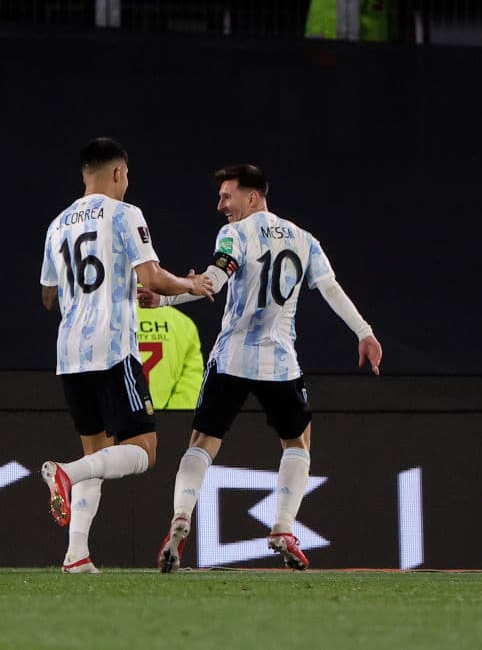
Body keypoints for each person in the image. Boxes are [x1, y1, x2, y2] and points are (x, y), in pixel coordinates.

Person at [142, 164, 383, 573]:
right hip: (280, 361)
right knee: (298, 443)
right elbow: (330, 289)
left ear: (252, 198)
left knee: (202, 442)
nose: (221, 205)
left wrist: (167, 297)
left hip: (232, 356)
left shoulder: (234, 234)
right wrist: (364, 332)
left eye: (227, 196)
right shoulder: (304, 240)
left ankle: (181, 517)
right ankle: (283, 528)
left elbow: (213, 282)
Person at [39, 137, 214, 574]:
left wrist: (90, 293)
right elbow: (153, 276)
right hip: (113, 348)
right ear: (118, 173)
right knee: (145, 449)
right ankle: (65, 472)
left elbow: (48, 295)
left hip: (70, 354)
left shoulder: (57, 224)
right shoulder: (124, 214)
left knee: (95, 449)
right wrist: (191, 285)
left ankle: (76, 554)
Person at [137, 305, 205, 409]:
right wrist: (171, 419)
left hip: (116, 420)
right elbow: (191, 384)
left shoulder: (107, 318)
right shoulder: (182, 323)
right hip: (168, 421)